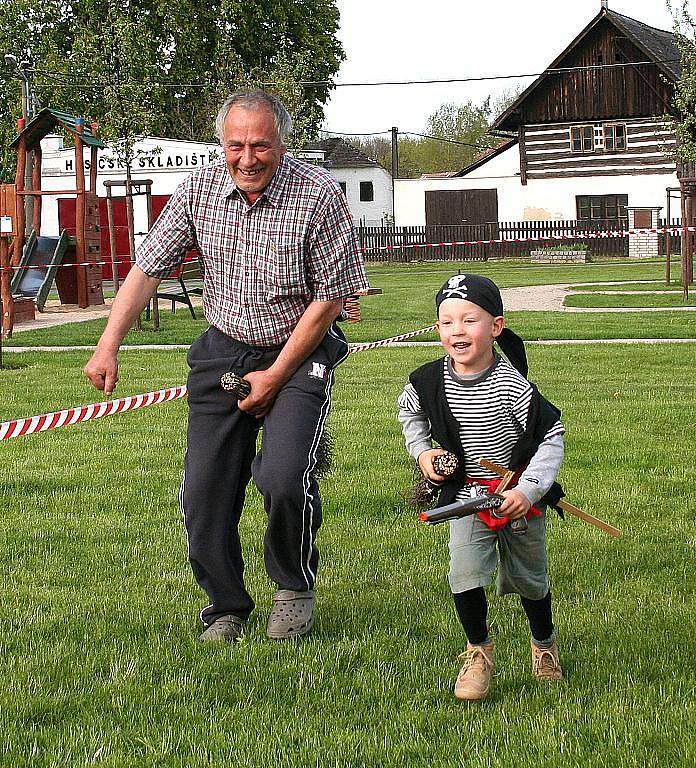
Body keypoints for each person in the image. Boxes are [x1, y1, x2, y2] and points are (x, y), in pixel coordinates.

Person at [84, 90, 369, 643]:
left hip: (299, 349)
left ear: (282, 143)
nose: (247, 158)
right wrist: (107, 344)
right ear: (221, 144)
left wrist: (276, 376)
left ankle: (293, 588)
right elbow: (147, 270)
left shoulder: (320, 197)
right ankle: (226, 603)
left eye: (260, 145)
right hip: (223, 348)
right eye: (235, 145)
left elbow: (329, 301)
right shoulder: (200, 190)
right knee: (205, 492)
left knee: (285, 475)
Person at [397, 274, 565, 701]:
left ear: (496, 327)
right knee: (465, 573)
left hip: (516, 497)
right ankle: (478, 652)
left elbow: (552, 434)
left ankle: (544, 646)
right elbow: (409, 414)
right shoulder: (426, 380)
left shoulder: (512, 386)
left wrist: (529, 490)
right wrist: (422, 454)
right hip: (468, 499)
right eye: (447, 322)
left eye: (470, 320)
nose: (458, 330)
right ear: (437, 330)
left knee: (530, 578)